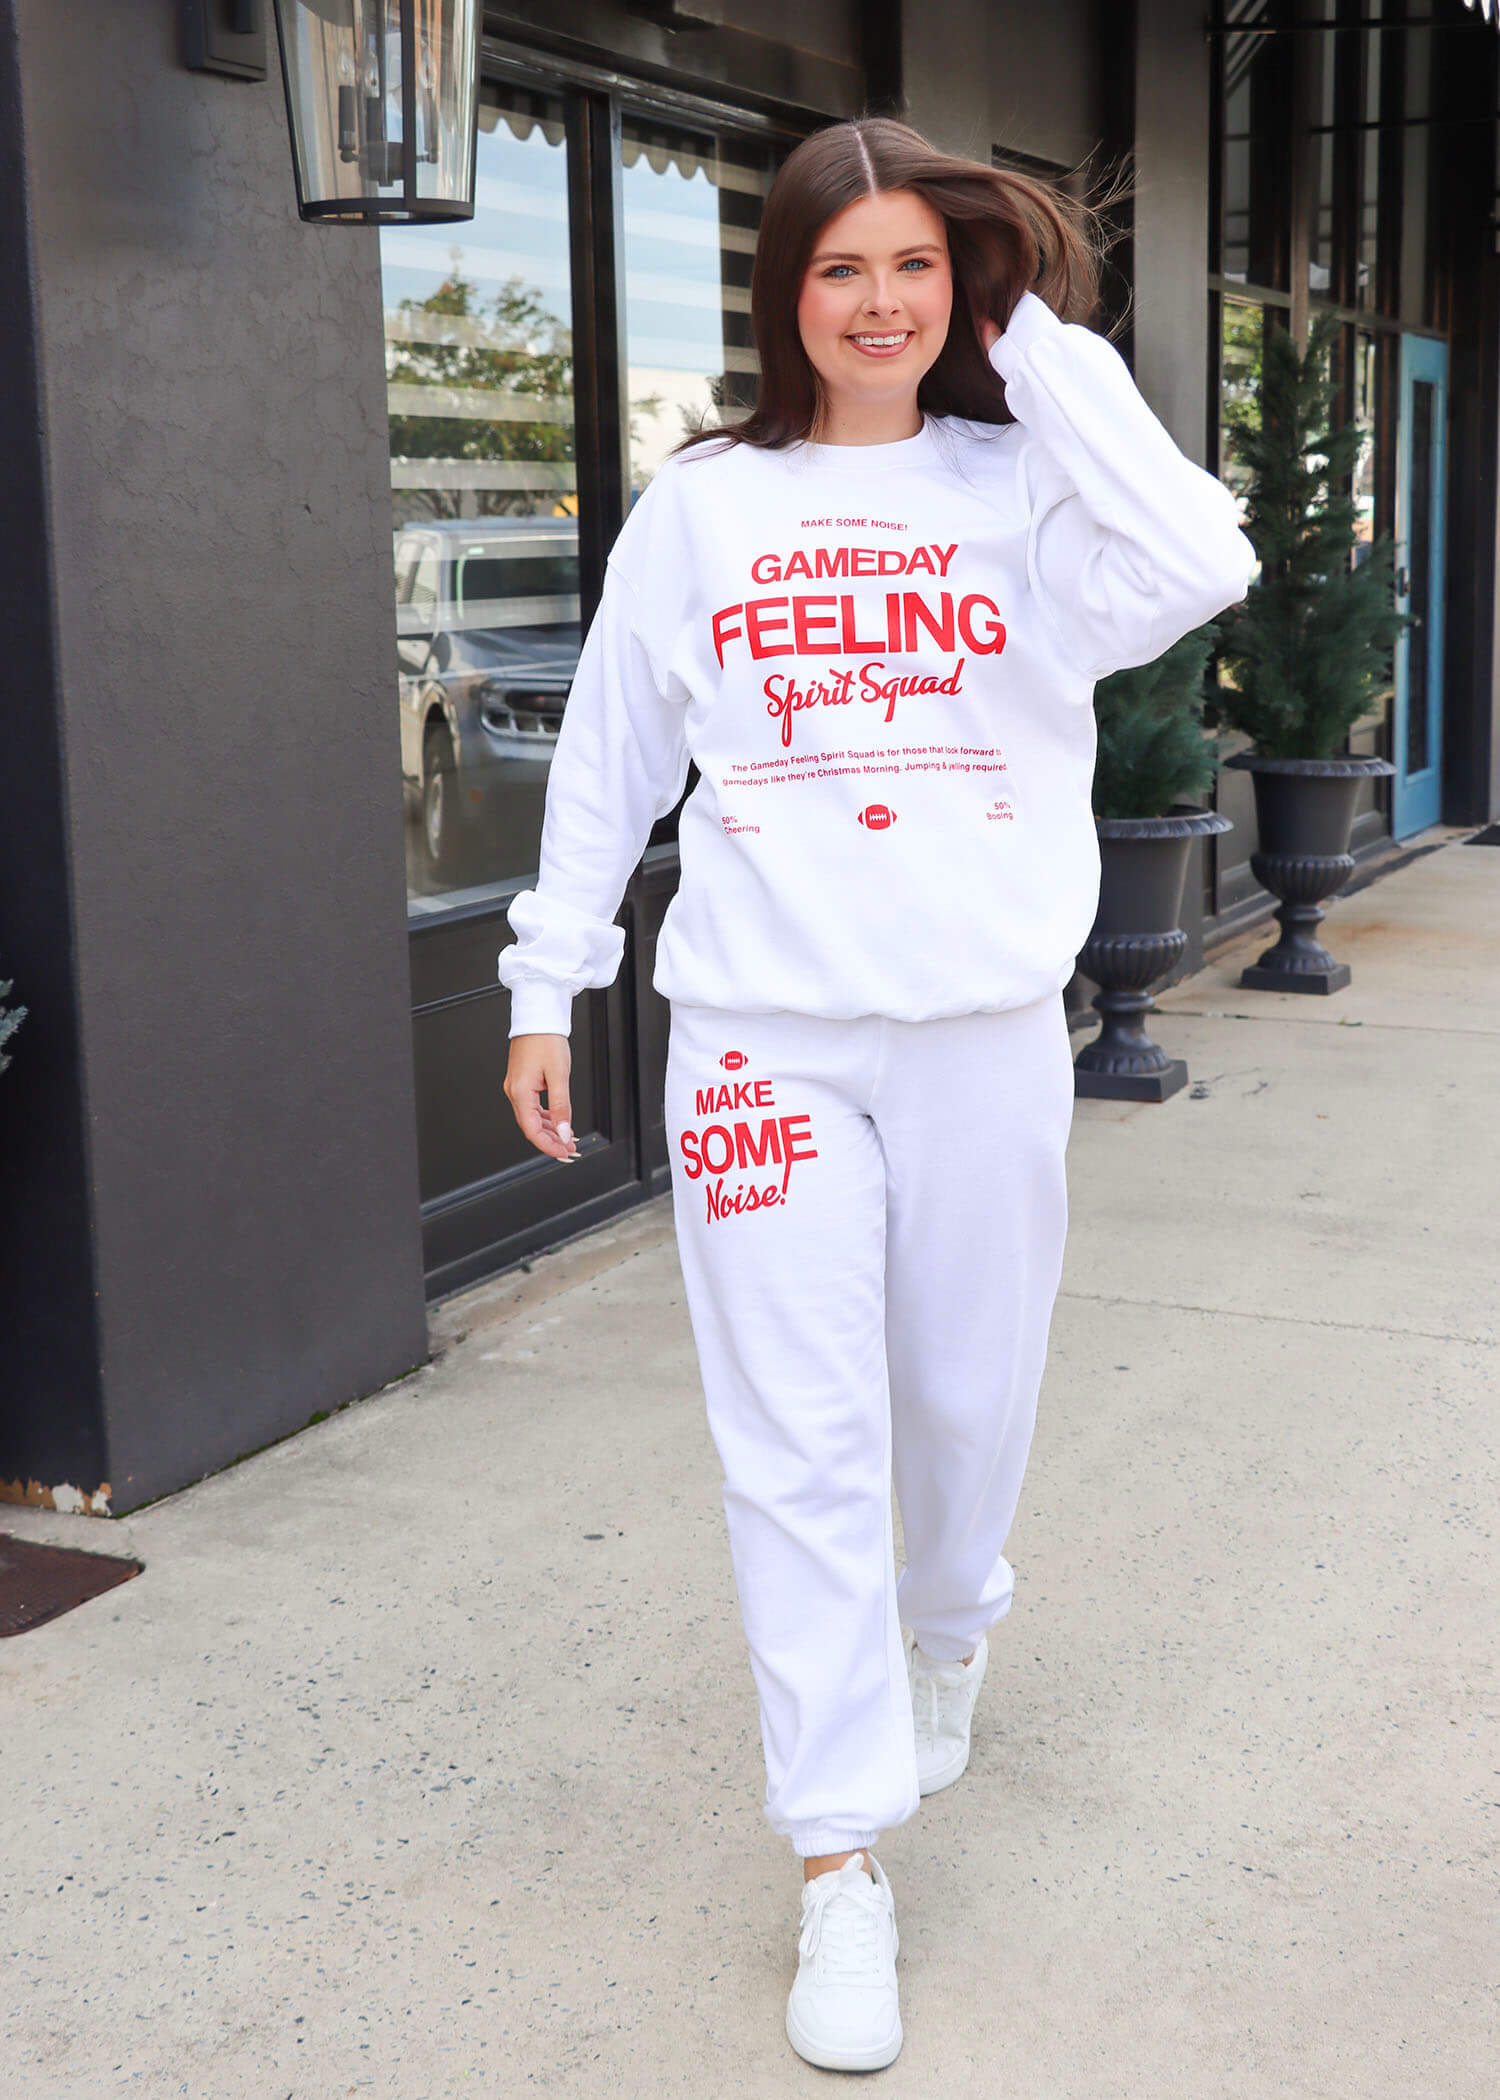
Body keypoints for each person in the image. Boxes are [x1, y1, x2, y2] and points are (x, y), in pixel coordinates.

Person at [498, 116, 1254, 2073]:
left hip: (986, 1032)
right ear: (787, 294)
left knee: (959, 1406)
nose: (880, 302)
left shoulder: (1026, 493)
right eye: (843, 269)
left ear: (960, 289)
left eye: (918, 265)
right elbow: (608, 765)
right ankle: (841, 1867)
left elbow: (1202, 553)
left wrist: (1043, 347)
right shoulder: (704, 513)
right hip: (763, 1034)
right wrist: (548, 979)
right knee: (797, 1447)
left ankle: (952, 1617)